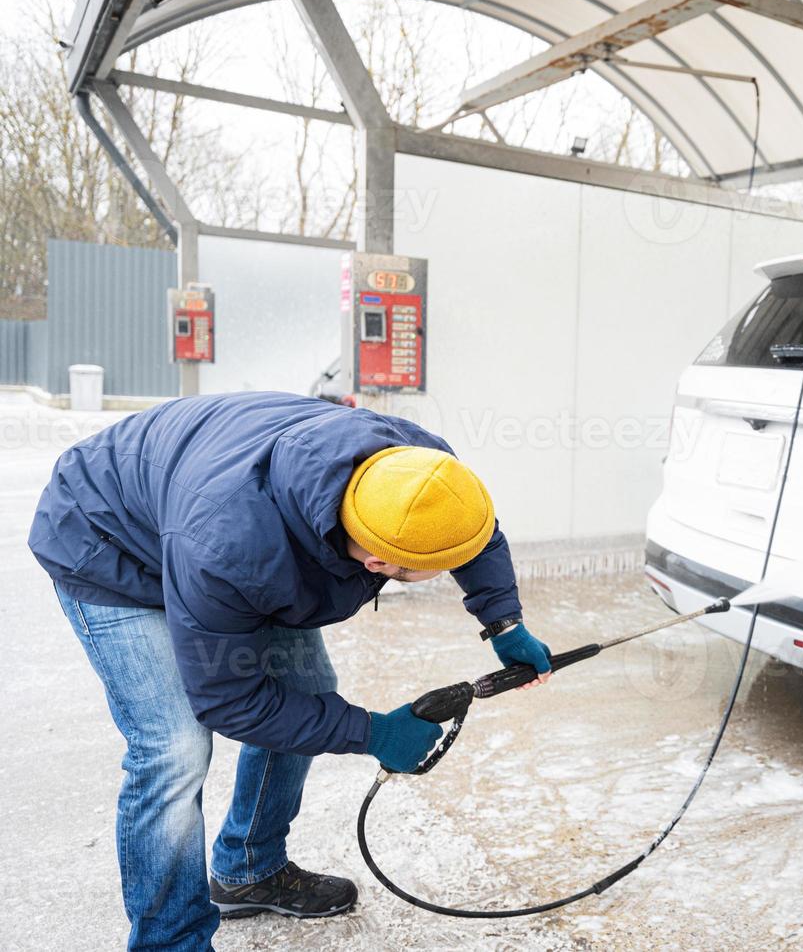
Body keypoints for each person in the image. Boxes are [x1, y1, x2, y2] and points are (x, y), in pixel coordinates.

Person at [29, 391, 553, 951]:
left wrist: (504, 623)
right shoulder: (233, 552)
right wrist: (373, 732)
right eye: (432, 569)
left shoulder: (416, 469)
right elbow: (231, 700)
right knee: (174, 748)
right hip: (106, 541)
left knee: (307, 695)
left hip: (205, 513)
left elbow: (470, 533)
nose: (452, 568)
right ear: (377, 562)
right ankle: (170, 942)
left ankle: (248, 869)